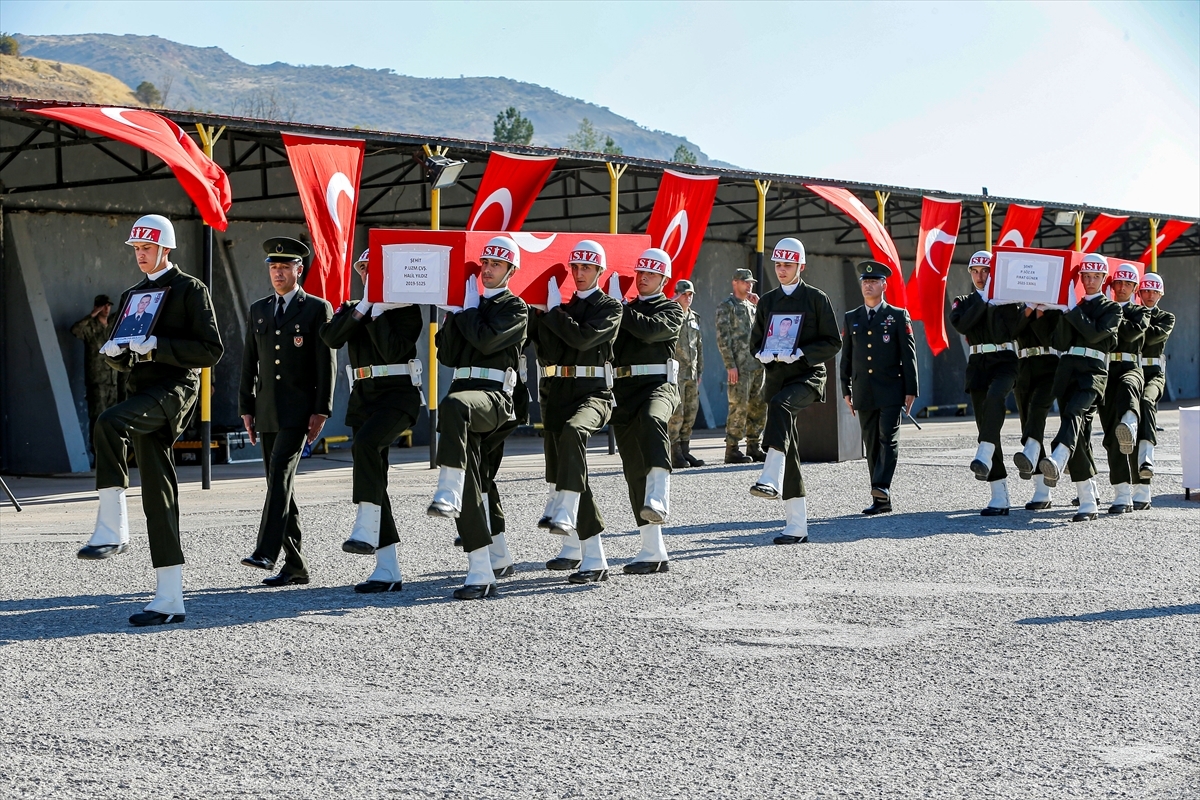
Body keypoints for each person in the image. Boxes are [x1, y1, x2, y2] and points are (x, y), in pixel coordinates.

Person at [81, 214, 223, 626]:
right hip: (142, 394)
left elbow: (210, 351)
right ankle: (169, 598)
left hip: (175, 391)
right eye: (136, 249)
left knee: (109, 423)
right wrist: (117, 356)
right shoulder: (130, 295)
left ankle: (113, 529)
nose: (140, 255)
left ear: (166, 249)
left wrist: (159, 346)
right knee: (160, 497)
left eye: (147, 249)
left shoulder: (190, 289)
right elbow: (130, 359)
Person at [426, 236, 528, 600]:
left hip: (495, 399)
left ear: (511, 271)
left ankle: (447, 486)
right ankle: (484, 568)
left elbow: (487, 342)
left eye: (496, 265)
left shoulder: (515, 308)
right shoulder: (470, 305)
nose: (487, 269)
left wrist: (469, 311)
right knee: (476, 479)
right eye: (485, 263)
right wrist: (453, 315)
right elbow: (448, 356)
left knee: (453, 405)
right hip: (466, 401)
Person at [320, 250, 424, 592]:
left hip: (398, 395)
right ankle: (387, 568)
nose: (367, 274)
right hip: (363, 397)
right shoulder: (353, 308)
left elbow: (393, 351)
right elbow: (330, 338)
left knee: (366, 445)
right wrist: (364, 307)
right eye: (363, 270)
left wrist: (379, 310)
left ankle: (364, 526)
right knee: (374, 474)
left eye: (374, 270)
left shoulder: (406, 310)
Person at [237, 237, 335, 587]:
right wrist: (246, 407)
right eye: (273, 267)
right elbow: (250, 362)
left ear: (299, 269)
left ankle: (266, 551)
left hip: (298, 411)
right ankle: (296, 566)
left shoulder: (316, 308)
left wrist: (321, 409)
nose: (277, 273)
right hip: (266, 411)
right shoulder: (259, 309)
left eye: (284, 267)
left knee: (280, 472)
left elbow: (326, 364)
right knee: (281, 486)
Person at [528, 240, 622, 574]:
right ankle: (585, 553)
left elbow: (583, 339)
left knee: (574, 432)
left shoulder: (610, 307)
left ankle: (566, 512)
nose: (579, 273)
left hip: (595, 393)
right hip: (560, 391)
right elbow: (549, 351)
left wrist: (555, 314)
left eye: (586, 268)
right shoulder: (562, 307)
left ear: (599, 270)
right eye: (576, 268)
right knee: (567, 468)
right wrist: (539, 314)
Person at [749, 238, 842, 544]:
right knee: (789, 448)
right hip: (778, 378)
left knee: (781, 406)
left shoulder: (816, 298)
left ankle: (769, 476)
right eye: (778, 264)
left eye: (788, 265)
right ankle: (796, 525)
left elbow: (833, 341)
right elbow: (756, 342)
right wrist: (762, 353)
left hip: (808, 376)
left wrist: (801, 352)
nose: (782, 270)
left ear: (801, 266)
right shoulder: (767, 301)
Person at [608, 247, 685, 578]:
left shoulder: (671, 309)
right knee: (632, 468)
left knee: (654, 419)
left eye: (650, 274)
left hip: (658, 385)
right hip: (624, 390)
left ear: (664, 279)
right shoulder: (622, 309)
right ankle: (653, 550)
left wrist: (619, 309)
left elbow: (651, 331)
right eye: (640, 273)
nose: (643, 279)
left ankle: (660, 495)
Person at [1039, 253, 1122, 522]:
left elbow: (1096, 334)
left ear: (1103, 279)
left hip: (1093, 373)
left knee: (1075, 413)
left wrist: (1073, 311)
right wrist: (1064, 310)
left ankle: (1059, 455)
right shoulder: (1072, 306)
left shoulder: (1112, 309)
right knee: (1080, 434)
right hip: (1068, 372)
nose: (1089, 281)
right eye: (1085, 276)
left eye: (1095, 276)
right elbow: (1060, 342)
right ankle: (1088, 499)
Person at [839, 261, 918, 515]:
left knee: (888, 437)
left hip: (891, 389)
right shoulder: (852, 318)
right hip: (863, 390)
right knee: (871, 443)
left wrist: (911, 389)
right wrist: (845, 389)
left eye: (873, 281)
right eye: (864, 282)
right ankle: (880, 498)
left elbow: (909, 354)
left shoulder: (896, 316)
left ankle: (882, 485)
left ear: (884, 285)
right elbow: (847, 358)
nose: (868, 285)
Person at [948, 251, 1023, 516]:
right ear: (970, 273)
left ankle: (984, 449)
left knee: (995, 398)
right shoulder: (964, 301)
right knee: (986, 424)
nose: (980, 276)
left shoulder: (1008, 301)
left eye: (986, 271)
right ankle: (999, 496)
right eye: (975, 271)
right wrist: (985, 299)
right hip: (978, 365)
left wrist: (998, 300)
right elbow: (963, 324)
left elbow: (1016, 328)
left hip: (1005, 361)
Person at [1098, 263, 1150, 514]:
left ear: (1134, 288)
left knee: (1130, 390)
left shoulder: (1141, 312)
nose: (1122, 288)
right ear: (1111, 285)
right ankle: (1121, 493)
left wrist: (1113, 315)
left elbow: (1128, 335)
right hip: (1106, 370)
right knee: (1110, 437)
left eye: (1127, 284)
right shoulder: (1104, 309)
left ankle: (1130, 422)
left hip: (1130, 366)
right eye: (1118, 283)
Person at [1011, 302, 1063, 511]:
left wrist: (1040, 313)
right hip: (1024, 368)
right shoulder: (1017, 308)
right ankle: (1041, 491)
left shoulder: (1055, 306)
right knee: (1028, 420)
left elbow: (1051, 338)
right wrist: (1028, 312)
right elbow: (1011, 332)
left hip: (1050, 366)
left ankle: (1087, 487)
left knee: (1038, 409)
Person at [1132, 272, 1174, 510]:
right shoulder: (1130, 313)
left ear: (1161, 294)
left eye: (1154, 292)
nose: (1149, 296)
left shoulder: (1166, 317)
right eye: (1145, 291)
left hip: (1154, 374)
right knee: (1123, 429)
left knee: (1147, 402)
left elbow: (1151, 337)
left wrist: (1138, 318)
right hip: (1132, 371)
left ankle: (1147, 459)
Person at [715, 268, 766, 464]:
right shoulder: (726, 306)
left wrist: (761, 305)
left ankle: (754, 446)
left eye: (751, 282)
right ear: (735, 282)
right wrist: (730, 365)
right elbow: (723, 338)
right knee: (739, 406)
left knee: (758, 407)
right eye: (745, 282)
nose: (749, 285)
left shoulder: (753, 306)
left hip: (757, 365)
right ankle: (732, 449)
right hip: (740, 367)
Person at [71, 294, 123, 460]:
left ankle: (110, 452)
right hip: (97, 382)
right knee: (98, 417)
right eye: (103, 306)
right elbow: (75, 330)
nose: (107, 309)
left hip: (113, 380)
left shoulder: (113, 326)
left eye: (108, 305)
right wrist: (92, 314)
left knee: (112, 417)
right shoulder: (90, 327)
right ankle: (97, 453)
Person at [668, 279, 705, 468]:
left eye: (690, 294)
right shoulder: (671, 315)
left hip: (691, 373)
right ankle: (674, 453)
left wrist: (700, 371)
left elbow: (699, 345)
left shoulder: (694, 317)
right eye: (684, 294)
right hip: (676, 373)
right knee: (677, 414)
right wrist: (671, 304)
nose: (688, 298)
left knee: (690, 413)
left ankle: (685, 450)